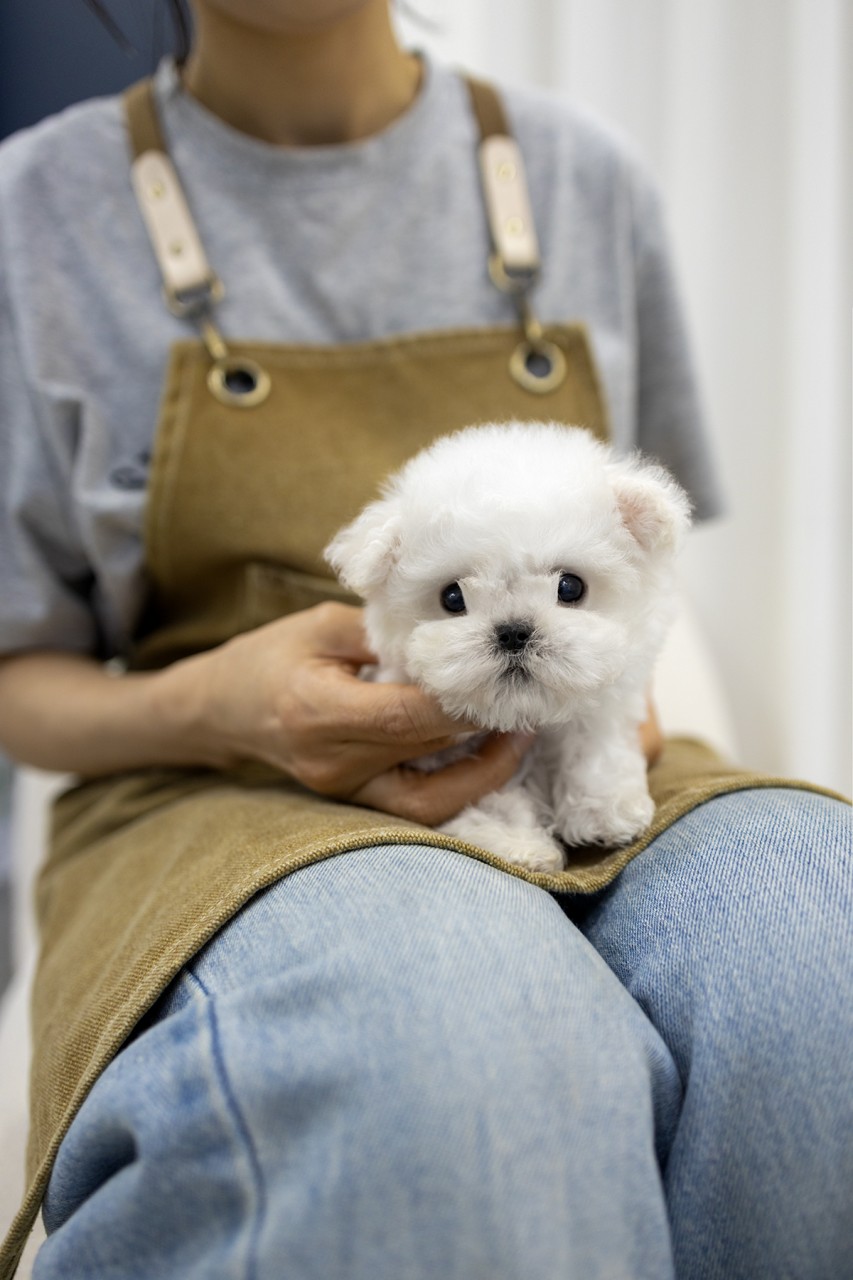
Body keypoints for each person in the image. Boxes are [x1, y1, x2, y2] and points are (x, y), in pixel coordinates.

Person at [0, 1, 850, 1277]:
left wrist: (608, 683)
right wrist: (218, 707)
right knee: (450, 1035)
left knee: (819, 934)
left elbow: (643, 551)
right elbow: (16, 674)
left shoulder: (585, 175)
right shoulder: (33, 212)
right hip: (207, 781)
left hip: (584, 738)